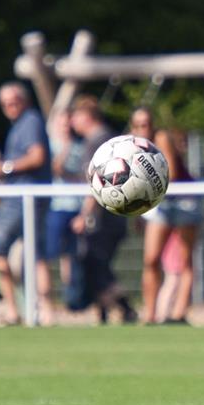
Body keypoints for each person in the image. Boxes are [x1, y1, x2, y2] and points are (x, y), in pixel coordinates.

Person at [0, 82, 53, 325]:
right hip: (28, 197)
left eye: (13, 102)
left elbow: (37, 157)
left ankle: (15, 310)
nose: (9, 108)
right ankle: (43, 312)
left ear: (24, 100)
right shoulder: (24, 123)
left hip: (23, 198)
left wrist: (4, 167)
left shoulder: (30, 121)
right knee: (36, 252)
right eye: (5, 104)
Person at [129, 107, 202, 325]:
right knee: (151, 259)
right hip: (159, 203)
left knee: (185, 259)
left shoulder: (161, 138)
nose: (144, 128)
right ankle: (150, 315)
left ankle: (178, 314)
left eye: (147, 123)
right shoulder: (130, 147)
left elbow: (171, 173)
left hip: (183, 199)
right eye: (139, 125)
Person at [69, 95, 137, 323]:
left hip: (104, 217)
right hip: (109, 215)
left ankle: (124, 307)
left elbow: (100, 182)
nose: (72, 122)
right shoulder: (102, 138)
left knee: (97, 264)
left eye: (75, 117)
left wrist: (84, 214)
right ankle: (105, 313)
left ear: (86, 116)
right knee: (97, 264)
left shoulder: (98, 140)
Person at [45, 108, 84, 301]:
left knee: (71, 256)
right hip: (56, 207)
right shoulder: (50, 145)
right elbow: (56, 169)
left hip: (75, 207)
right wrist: (65, 149)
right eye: (62, 122)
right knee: (49, 254)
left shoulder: (80, 146)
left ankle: (70, 299)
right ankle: (46, 300)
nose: (66, 126)